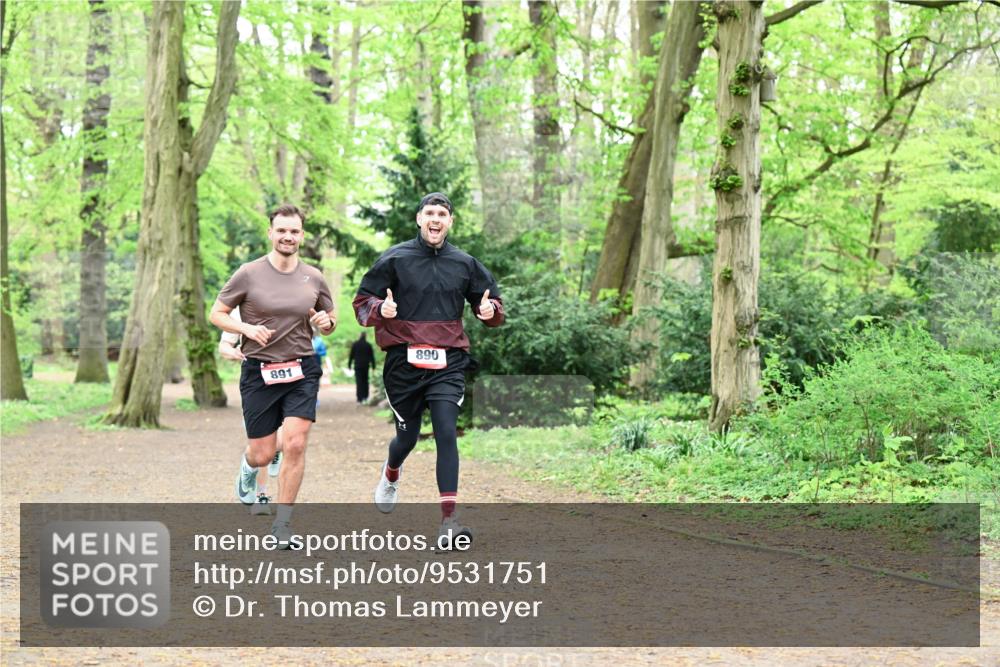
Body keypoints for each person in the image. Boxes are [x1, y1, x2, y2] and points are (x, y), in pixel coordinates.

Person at [353, 192, 504, 549]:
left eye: (442, 214)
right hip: (403, 363)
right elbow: (363, 301)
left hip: (448, 361)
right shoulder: (395, 258)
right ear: (419, 219)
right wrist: (380, 311)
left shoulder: (465, 263)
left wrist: (489, 312)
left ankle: (449, 521)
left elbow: (492, 303)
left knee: (446, 432)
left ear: (450, 222)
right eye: (429, 213)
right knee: (407, 437)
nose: (435, 219)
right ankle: (392, 472)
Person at [210, 203, 336, 548]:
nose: (287, 236)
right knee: (264, 453)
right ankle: (249, 467)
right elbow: (217, 313)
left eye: (294, 231)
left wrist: (327, 323)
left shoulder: (314, 276)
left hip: (302, 368)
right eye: (281, 230)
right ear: (270, 233)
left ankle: (282, 524)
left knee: (295, 442)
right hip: (259, 370)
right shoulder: (248, 273)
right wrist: (246, 328)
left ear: (302, 236)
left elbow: (329, 315)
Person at [217, 306, 283, 516]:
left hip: (292, 381)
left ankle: (275, 450)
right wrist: (234, 352)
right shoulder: (241, 310)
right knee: (260, 445)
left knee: (286, 440)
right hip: (257, 383)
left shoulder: (294, 298)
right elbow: (224, 346)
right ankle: (262, 496)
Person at [348, 332, 376, 404]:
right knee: (365, 381)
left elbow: (351, 355)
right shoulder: (368, 345)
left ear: (359, 336)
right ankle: (365, 397)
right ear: (365, 336)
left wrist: (349, 365)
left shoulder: (355, 344)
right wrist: (373, 366)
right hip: (365, 366)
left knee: (359, 381)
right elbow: (371, 356)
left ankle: (359, 398)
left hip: (358, 366)